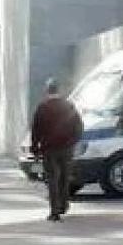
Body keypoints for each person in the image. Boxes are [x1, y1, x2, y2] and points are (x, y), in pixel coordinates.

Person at [30, 78, 82, 222]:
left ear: (47, 90)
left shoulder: (42, 107)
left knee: (52, 179)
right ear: (60, 90)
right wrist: (72, 141)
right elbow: (78, 126)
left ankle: (54, 212)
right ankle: (63, 204)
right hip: (66, 149)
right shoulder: (68, 106)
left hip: (49, 149)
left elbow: (36, 130)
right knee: (65, 177)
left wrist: (35, 148)